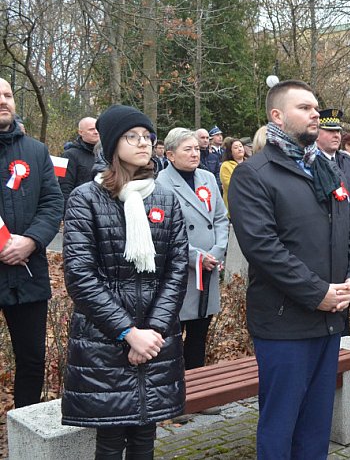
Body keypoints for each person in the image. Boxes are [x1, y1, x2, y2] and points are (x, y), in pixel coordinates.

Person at [228, 80, 350, 460]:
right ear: (277, 115)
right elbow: (263, 249)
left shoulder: (326, 171)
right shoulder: (254, 174)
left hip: (330, 318)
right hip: (285, 322)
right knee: (281, 423)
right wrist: (318, 292)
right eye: (304, 107)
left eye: (315, 107)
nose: (315, 114)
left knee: (316, 424)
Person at [61, 104, 188, 458]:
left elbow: (176, 270)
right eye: (132, 136)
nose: (143, 143)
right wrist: (128, 333)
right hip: (104, 338)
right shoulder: (85, 199)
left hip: (155, 335)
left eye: (147, 136)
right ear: (114, 143)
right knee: (111, 438)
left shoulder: (165, 198)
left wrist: (154, 332)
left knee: (146, 433)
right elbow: (81, 276)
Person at [0, 78, 62, 409]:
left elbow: (52, 204)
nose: (3, 101)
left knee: (32, 359)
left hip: (27, 273)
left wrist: (32, 241)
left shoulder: (36, 151)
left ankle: (25, 430)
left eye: (7, 95)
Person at [156, 127, 228, 375]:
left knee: (199, 335)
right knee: (174, 338)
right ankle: (173, 394)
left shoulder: (208, 178)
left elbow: (220, 218)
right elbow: (163, 232)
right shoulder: (160, 184)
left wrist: (217, 251)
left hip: (208, 270)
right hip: (181, 273)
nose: (195, 153)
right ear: (170, 155)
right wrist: (196, 256)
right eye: (188, 149)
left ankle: (196, 391)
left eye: (197, 148)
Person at [316, 109, 350, 245]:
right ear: (316, 134)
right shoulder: (310, 164)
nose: (336, 135)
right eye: (330, 131)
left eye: (338, 131)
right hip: (325, 239)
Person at [60, 116, 100, 211]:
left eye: (98, 128)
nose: (96, 132)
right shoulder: (68, 155)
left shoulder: (108, 153)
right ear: (80, 132)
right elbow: (63, 187)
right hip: (80, 210)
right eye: (91, 129)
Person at [219, 137, 247, 210]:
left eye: (241, 146)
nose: (239, 149)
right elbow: (229, 185)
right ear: (230, 151)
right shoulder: (226, 166)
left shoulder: (250, 162)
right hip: (234, 205)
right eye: (236, 147)